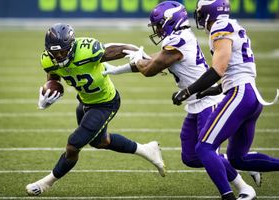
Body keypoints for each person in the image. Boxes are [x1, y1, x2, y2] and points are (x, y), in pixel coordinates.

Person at [102, 1, 260, 199]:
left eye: (159, 25)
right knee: (191, 157)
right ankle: (242, 161)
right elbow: (151, 60)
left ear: (170, 21)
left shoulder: (179, 40)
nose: (157, 30)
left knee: (206, 150)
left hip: (207, 102)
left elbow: (150, 69)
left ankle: (242, 188)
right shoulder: (178, 37)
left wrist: (136, 59)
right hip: (194, 104)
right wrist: (117, 70)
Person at [25, 23, 166, 196]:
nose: (59, 56)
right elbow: (54, 78)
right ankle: (147, 150)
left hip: (106, 103)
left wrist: (149, 60)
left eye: (63, 51)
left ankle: (46, 183)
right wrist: (49, 93)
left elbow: (123, 49)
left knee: (73, 145)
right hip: (84, 102)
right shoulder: (48, 59)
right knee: (100, 142)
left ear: (71, 45)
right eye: (55, 53)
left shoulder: (87, 50)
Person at [171, 0, 279, 199]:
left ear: (207, 13)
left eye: (200, 13)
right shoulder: (233, 25)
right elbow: (234, 72)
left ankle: (228, 196)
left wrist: (188, 91)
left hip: (240, 95)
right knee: (238, 159)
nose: (199, 18)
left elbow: (218, 69)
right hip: (250, 95)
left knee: (204, 148)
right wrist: (210, 91)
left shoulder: (220, 27)